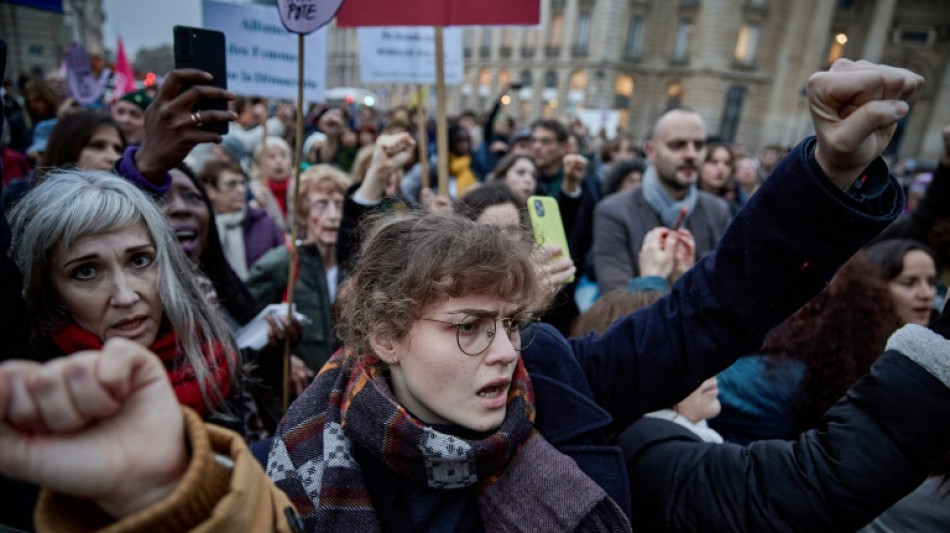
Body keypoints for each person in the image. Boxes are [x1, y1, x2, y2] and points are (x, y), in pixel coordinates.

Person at [0, 60, 931, 532]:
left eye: (510, 324)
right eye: (468, 327)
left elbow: (717, 306)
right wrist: (164, 490)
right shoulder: (300, 467)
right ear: (386, 336)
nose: (503, 353)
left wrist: (826, 172)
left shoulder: (559, 377)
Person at [592, 108, 732, 293]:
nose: (691, 154)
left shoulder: (717, 211)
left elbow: (729, 290)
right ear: (651, 151)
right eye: (677, 145)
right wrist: (653, 281)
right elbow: (615, 299)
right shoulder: (614, 212)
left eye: (698, 145)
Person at [246, 165, 350, 378]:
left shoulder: (353, 266)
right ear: (303, 214)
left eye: (340, 205)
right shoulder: (282, 263)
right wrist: (284, 361)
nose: (334, 215)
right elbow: (245, 332)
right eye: (321, 205)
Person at [197, 158, 285, 280]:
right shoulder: (202, 227)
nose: (241, 190)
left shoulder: (263, 221)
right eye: (231, 184)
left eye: (243, 183)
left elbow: (283, 265)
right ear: (210, 191)